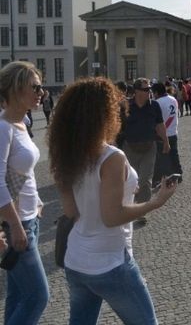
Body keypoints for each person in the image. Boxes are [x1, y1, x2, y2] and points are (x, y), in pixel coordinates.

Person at [49, 77, 177, 324]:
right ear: (105, 113)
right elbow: (112, 217)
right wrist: (155, 202)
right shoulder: (111, 156)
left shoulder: (66, 153)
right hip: (109, 261)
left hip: (75, 260)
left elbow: (71, 211)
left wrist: (125, 187)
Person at [0, 61, 49, 324]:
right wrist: (15, 226)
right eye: (36, 86)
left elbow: (23, 173)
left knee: (18, 296)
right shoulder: (3, 128)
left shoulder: (22, 122)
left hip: (29, 218)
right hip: (16, 224)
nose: (41, 92)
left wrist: (38, 202)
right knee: (37, 296)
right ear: (16, 88)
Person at [121, 78, 170, 222]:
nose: (149, 91)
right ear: (136, 91)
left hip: (149, 147)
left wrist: (166, 142)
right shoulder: (126, 106)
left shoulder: (154, 106)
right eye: (145, 89)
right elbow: (117, 126)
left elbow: (160, 125)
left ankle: (141, 211)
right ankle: (127, 207)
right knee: (130, 180)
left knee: (145, 180)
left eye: (149, 89)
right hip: (130, 147)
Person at [151, 83, 183, 185]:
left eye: (153, 92)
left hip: (163, 133)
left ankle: (163, 178)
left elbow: (157, 120)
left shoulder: (157, 102)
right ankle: (178, 174)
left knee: (162, 157)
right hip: (173, 131)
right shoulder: (173, 99)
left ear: (156, 92)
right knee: (174, 154)